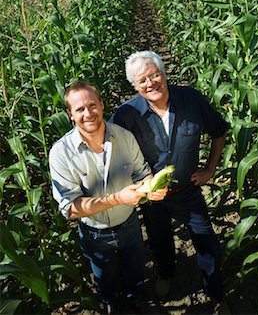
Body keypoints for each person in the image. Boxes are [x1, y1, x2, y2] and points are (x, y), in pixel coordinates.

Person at [111, 51, 229, 306]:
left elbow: (219, 130)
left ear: (164, 74)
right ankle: (166, 273)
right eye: (142, 80)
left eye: (155, 75)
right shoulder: (126, 114)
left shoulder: (191, 99)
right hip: (153, 197)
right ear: (135, 86)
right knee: (159, 239)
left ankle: (214, 290)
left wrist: (210, 168)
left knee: (207, 242)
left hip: (188, 191)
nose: (151, 83)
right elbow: (108, 147)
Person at [49, 81, 167, 314]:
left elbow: (142, 173)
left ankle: (134, 300)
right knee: (105, 279)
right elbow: (70, 209)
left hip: (130, 226)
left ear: (102, 105)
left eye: (92, 105)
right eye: (80, 109)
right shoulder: (61, 153)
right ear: (70, 114)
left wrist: (152, 188)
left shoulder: (124, 137)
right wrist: (116, 199)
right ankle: (113, 306)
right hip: (95, 233)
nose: (88, 113)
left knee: (135, 272)